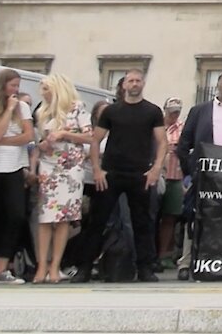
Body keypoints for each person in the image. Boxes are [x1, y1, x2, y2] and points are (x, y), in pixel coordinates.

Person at [72, 69, 165, 283]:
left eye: (138, 81)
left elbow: (162, 142)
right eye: (130, 81)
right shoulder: (111, 111)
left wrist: (156, 168)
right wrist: (97, 169)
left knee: (143, 223)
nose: (134, 84)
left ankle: (145, 268)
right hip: (111, 173)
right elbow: (95, 140)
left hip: (140, 173)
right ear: (124, 85)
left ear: (143, 84)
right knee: (97, 221)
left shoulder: (152, 111)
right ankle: (84, 267)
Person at [30, 74, 93, 284]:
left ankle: (55, 266)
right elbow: (38, 140)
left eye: (47, 89)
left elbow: (89, 136)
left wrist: (65, 135)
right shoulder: (42, 111)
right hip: (48, 165)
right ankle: (42, 266)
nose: (44, 93)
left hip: (71, 167)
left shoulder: (76, 108)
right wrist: (43, 144)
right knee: (45, 217)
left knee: (64, 217)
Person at [0, 69, 34, 284]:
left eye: (18, 85)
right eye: (12, 85)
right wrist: (8, 110)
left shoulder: (23, 107)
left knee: (15, 216)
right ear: (2, 85)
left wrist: (2, 140)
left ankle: (1, 268)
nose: (16, 90)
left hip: (14, 167)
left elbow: (28, 135)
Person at [157, 97, 185, 271]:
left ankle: (165, 254)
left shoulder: (182, 128)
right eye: (172, 110)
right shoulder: (157, 126)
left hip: (175, 175)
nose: (175, 113)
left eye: (177, 110)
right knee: (152, 216)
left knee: (170, 217)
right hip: (156, 174)